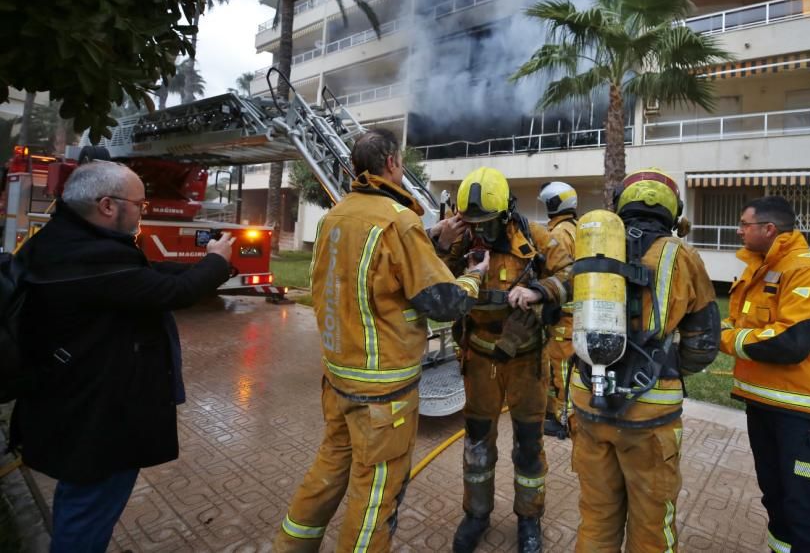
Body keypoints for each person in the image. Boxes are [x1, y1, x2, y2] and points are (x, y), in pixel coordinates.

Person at [274, 129, 489, 553]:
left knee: (330, 469)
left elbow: (375, 273)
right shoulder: (399, 221)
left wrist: (433, 240)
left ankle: (290, 547)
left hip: (338, 380)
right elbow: (444, 303)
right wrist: (474, 276)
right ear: (392, 163)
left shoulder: (335, 216)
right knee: (374, 496)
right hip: (383, 392)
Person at [10, 160, 234, 552]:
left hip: (73, 403)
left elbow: (146, 275)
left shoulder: (66, 241)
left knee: (80, 499)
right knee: (90, 507)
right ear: (108, 205)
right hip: (95, 416)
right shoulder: (90, 256)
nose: (143, 212)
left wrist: (203, 267)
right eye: (140, 205)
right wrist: (216, 261)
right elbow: (171, 294)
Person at [570, 168, 720, 552]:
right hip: (650, 412)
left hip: (588, 398)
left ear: (621, 204)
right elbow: (704, 343)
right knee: (652, 524)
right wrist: (663, 367)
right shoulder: (683, 255)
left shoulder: (594, 248)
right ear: (673, 211)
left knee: (597, 517)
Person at [441, 167, 572, 553]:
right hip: (480, 359)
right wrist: (443, 243)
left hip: (526, 361)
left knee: (528, 446)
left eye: (486, 222)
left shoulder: (538, 237)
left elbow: (572, 273)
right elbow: (432, 283)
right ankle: (476, 513)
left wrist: (540, 290)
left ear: (505, 212)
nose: (479, 231)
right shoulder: (461, 243)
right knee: (478, 445)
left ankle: (529, 519)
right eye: (472, 222)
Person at [720, 196, 810, 553]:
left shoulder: (809, 273)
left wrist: (723, 338)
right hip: (762, 403)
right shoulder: (762, 270)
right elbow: (744, 323)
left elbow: (792, 342)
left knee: (803, 508)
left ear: (769, 229)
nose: (738, 231)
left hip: (800, 414)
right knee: (776, 500)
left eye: (744, 224)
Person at [536, 181, 578, 439]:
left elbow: (558, 272)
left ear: (553, 204)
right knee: (566, 366)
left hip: (564, 313)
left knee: (561, 367)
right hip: (572, 312)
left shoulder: (560, 234)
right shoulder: (575, 228)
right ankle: (557, 412)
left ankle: (563, 419)